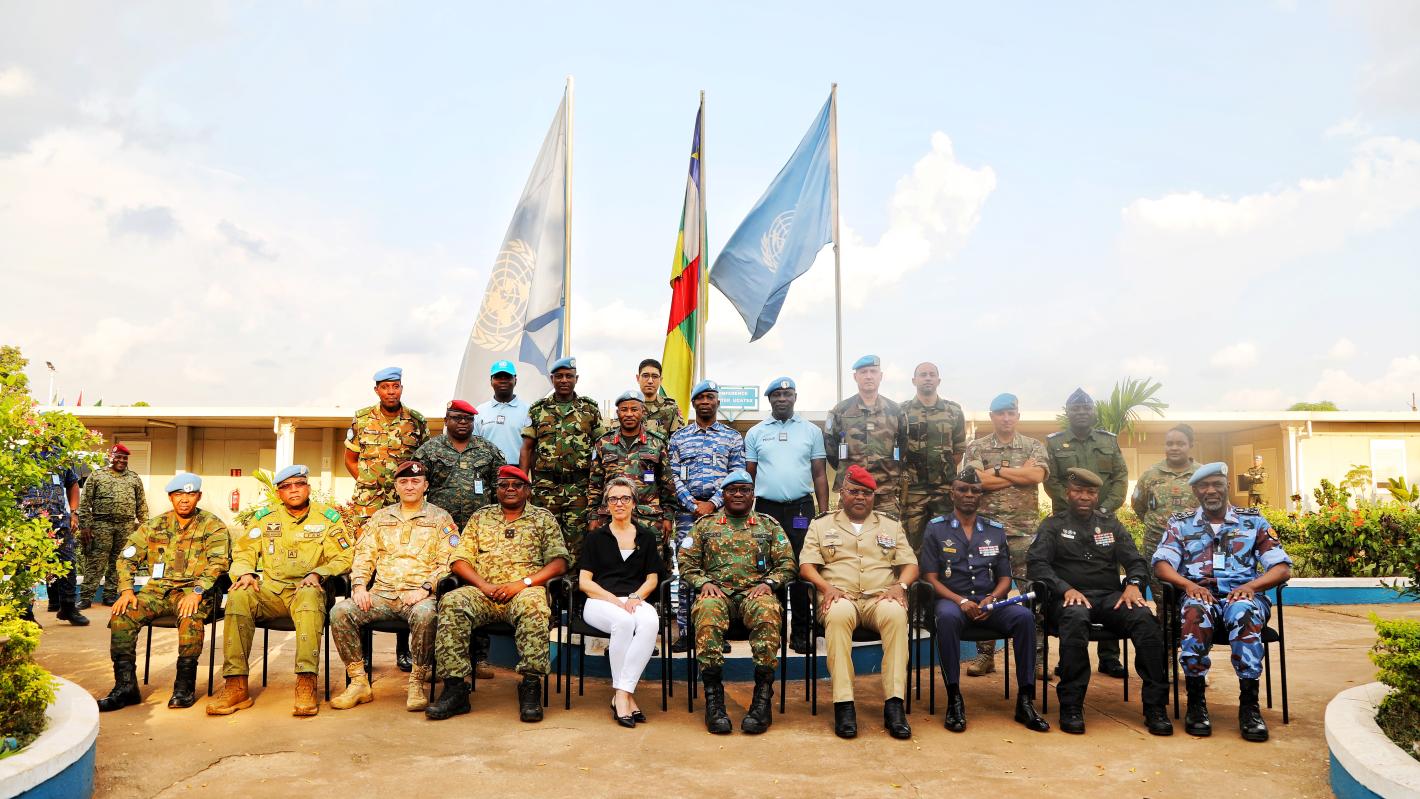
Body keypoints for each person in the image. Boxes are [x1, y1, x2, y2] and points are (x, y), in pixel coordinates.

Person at [1153, 462, 1291, 742]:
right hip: (1199, 594)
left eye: (1216, 484)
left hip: (1243, 595)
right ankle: (1196, 703)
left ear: (1226, 486)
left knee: (1243, 612)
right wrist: (1188, 585)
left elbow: (1281, 568)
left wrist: (1251, 586)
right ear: (1195, 490)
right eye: (1204, 486)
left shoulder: (1253, 521)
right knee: (1194, 610)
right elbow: (1162, 565)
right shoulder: (1180, 523)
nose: (1211, 490)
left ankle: (1249, 707)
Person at [1028, 468, 1172, 736]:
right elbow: (1037, 565)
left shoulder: (1111, 524)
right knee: (1075, 618)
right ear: (1068, 493)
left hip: (1109, 597)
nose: (1084, 497)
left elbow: (1136, 561)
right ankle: (1071, 705)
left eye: (1090, 492)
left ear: (1097, 496)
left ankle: (1156, 706)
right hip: (1068, 598)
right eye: (1079, 491)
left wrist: (1133, 585)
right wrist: (1064, 588)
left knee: (1145, 620)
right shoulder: (1052, 525)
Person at [206, 464, 354, 717]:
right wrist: (245, 573)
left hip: (309, 590)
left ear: (308, 487)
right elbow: (243, 552)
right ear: (278, 493)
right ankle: (235, 684)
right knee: (240, 595)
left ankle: (306, 682)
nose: (294, 490)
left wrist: (320, 572)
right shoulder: (265, 518)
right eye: (286, 486)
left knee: (308, 595)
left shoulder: (327, 518)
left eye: (299, 484)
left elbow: (344, 555)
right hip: (271, 592)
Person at [427, 465, 569, 723]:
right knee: (452, 602)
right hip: (483, 592)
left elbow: (559, 562)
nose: (510, 489)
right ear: (496, 490)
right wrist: (483, 585)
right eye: (504, 485)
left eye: (516, 485)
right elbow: (459, 561)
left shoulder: (543, 518)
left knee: (535, 607)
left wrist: (522, 583)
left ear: (527, 490)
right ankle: (455, 689)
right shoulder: (481, 517)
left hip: (524, 591)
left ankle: (530, 686)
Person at [918, 467, 1049, 733]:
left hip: (989, 602)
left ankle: (1025, 700)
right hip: (952, 601)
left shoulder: (995, 530)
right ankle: (954, 698)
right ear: (952, 493)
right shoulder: (936, 529)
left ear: (981, 495)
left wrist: (992, 598)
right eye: (963, 489)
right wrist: (961, 601)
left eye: (975, 490)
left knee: (1023, 617)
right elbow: (930, 578)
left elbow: (1005, 577)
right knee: (945, 619)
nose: (969, 495)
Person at [329, 461, 460, 712]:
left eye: (415, 481)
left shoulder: (440, 517)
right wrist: (359, 587)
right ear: (396, 487)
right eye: (403, 482)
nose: (409, 486)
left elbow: (449, 561)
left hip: (420, 596)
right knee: (341, 612)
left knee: (426, 614)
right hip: (382, 595)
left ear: (426, 486)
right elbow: (364, 555)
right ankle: (358, 682)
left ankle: (417, 681)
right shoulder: (381, 517)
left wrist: (425, 588)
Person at [799, 465, 917, 739]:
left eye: (866, 493)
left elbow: (910, 564)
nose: (860, 497)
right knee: (837, 615)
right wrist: (825, 588)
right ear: (843, 493)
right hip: (840, 596)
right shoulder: (821, 524)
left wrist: (900, 586)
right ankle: (844, 705)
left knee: (898, 615)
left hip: (880, 597)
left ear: (874, 496)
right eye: (854, 491)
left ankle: (894, 705)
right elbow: (806, 566)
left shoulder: (890, 524)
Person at [95, 473, 229, 712]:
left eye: (190, 494)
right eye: (179, 495)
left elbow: (218, 563)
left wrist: (198, 592)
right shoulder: (153, 526)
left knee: (190, 617)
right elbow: (126, 558)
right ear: (170, 497)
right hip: (157, 591)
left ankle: (183, 686)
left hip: (193, 590)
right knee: (122, 614)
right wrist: (126, 590)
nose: (184, 499)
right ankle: (125, 686)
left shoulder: (213, 525)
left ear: (198, 496)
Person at [680, 469, 795, 735]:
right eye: (733, 490)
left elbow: (788, 563)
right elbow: (686, 561)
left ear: (753, 495)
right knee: (706, 610)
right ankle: (714, 700)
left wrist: (769, 584)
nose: (739, 494)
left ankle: (762, 699)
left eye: (745, 489)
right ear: (723, 495)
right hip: (716, 594)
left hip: (755, 594)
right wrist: (702, 583)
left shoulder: (768, 525)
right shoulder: (705, 526)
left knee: (768, 610)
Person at [959, 393, 1049, 677]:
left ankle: (1036, 660)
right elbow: (978, 482)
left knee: (1032, 596)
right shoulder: (977, 447)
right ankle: (986, 655)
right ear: (992, 416)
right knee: (985, 593)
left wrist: (996, 470)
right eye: (1000, 413)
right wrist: (1016, 472)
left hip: (1025, 534)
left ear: (1018, 416)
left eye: (1011, 413)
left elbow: (1036, 477)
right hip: (987, 534)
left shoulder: (1034, 445)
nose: (1006, 418)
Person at [345, 366, 428, 671]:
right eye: (386, 387)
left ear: (401, 389)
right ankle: (364, 651)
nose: (392, 392)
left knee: (404, 568)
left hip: (405, 502)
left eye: (396, 386)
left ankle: (402, 650)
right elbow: (350, 459)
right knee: (367, 572)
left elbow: (421, 463)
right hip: (369, 505)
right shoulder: (361, 418)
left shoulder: (416, 420)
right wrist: (368, 483)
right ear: (376, 390)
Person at [1043, 387, 1130, 678]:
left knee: (1107, 579)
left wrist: (1103, 508)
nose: (1081, 412)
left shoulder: (1108, 440)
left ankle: (1110, 656)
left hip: (1104, 520)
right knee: (1067, 583)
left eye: (1086, 408)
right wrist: (1071, 504)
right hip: (1066, 522)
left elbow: (1120, 477)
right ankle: (1070, 653)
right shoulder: (1055, 443)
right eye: (1075, 408)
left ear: (1093, 411)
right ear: (1068, 413)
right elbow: (1051, 480)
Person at [415, 399, 504, 681]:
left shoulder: (486, 449)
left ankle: (478, 658)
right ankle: (435, 660)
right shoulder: (430, 449)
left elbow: (501, 485)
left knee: (478, 589)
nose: (462, 422)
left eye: (467, 418)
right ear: (446, 419)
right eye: (456, 418)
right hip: (440, 532)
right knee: (438, 590)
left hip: (479, 532)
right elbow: (415, 485)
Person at [745, 376, 830, 655]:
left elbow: (819, 473)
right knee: (770, 568)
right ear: (769, 400)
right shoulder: (756, 432)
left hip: (801, 509)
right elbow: (750, 475)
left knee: (802, 568)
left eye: (788, 394)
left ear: (795, 397)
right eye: (777, 395)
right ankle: (775, 629)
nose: (782, 399)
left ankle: (802, 633)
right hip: (767, 508)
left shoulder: (810, 431)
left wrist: (824, 512)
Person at [578, 477, 666, 727]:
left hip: (634, 598)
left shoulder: (646, 537)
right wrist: (614, 601)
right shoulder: (596, 537)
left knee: (650, 622)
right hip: (599, 601)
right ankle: (625, 696)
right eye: (613, 498)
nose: (619, 503)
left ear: (634, 503)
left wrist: (636, 597)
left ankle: (622, 694)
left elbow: (652, 578)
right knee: (625, 623)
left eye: (625, 498)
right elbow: (585, 582)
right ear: (606, 504)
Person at [667, 379, 746, 653]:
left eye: (710, 397)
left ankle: (714, 630)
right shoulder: (678, 437)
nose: (705, 402)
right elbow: (672, 476)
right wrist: (692, 504)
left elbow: (737, 476)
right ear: (693, 403)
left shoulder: (732, 437)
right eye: (700, 398)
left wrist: (712, 504)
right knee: (687, 571)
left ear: (717, 402)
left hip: (719, 515)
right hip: (687, 515)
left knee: (717, 572)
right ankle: (686, 632)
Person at [520, 356, 602, 562]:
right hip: (546, 488)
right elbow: (527, 448)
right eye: (559, 376)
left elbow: (602, 448)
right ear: (552, 379)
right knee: (544, 541)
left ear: (577, 379)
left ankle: (573, 591)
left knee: (577, 544)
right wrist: (523, 483)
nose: (564, 380)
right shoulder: (538, 409)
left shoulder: (589, 409)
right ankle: (547, 590)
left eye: (569, 376)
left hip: (579, 488)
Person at [587, 391, 676, 540]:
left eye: (634, 409)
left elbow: (667, 484)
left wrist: (668, 517)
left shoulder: (656, 443)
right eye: (624, 409)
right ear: (617, 413)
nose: (629, 414)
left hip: (648, 520)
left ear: (643, 411)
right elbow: (595, 485)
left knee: (649, 562)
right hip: (611, 518)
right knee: (612, 561)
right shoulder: (604, 443)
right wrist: (593, 517)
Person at [825, 355, 906, 518]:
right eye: (863, 372)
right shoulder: (840, 411)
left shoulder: (896, 411)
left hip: (885, 493)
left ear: (881, 376)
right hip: (851, 493)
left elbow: (903, 447)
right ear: (855, 377)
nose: (868, 376)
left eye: (873, 371)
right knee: (848, 540)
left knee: (887, 541)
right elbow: (831, 451)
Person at [1130, 424, 1199, 609]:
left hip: (1192, 547)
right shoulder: (1150, 475)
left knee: (1193, 597)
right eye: (1169, 443)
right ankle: (1166, 637)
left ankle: (1191, 636)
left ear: (1190, 444)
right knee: (1163, 598)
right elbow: (1139, 505)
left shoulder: (1201, 474)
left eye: (1180, 443)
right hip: (1157, 546)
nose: (1174, 448)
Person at [900, 362, 967, 551]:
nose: (927, 378)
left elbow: (958, 450)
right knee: (911, 544)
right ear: (914, 381)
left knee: (946, 543)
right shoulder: (901, 411)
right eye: (923, 375)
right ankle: (913, 581)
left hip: (944, 490)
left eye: (931, 374)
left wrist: (941, 473)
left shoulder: (953, 411)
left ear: (938, 380)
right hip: (913, 491)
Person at [77, 443, 147, 608]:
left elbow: (141, 504)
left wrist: (145, 526)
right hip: (101, 524)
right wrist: (85, 526)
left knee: (119, 561)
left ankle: (109, 595)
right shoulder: (97, 476)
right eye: (119, 457)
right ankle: (86, 597)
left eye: (125, 458)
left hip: (126, 525)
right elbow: (85, 501)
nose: (122, 461)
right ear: (111, 457)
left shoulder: (134, 478)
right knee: (96, 561)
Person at [22, 452, 87, 625]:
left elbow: (72, 484)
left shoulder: (60, 455)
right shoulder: (20, 451)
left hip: (59, 520)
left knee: (68, 563)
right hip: (28, 522)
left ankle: (68, 608)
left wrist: (74, 513)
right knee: (26, 567)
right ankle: (25, 614)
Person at [474, 360, 532, 466]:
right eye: (498, 377)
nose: (503, 380)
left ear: (515, 380)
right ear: (491, 381)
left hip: (515, 472)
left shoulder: (528, 410)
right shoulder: (480, 411)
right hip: (487, 471)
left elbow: (530, 448)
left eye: (508, 377)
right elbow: (473, 446)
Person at [637, 358, 685, 440]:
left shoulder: (671, 407)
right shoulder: (629, 407)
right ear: (638, 378)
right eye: (645, 376)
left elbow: (680, 440)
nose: (650, 381)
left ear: (661, 380)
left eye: (655, 376)